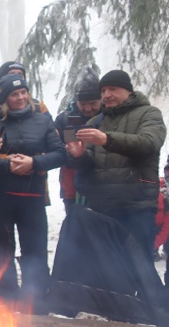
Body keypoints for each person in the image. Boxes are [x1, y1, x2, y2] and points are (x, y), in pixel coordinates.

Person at [0, 73, 66, 306]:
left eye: (23, 92)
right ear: (6, 99)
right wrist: (8, 165)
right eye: (14, 94)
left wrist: (33, 163)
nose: (20, 97)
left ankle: (35, 300)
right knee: (2, 251)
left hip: (32, 197)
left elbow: (60, 154)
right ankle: (8, 298)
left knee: (35, 251)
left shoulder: (43, 122)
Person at [65, 69, 167, 259]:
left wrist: (107, 139)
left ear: (128, 91)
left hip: (136, 206)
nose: (107, 95)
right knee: (108, 267)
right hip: (102, 207)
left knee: (139, 266)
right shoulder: (95, 121)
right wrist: (79, 155)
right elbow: (89, 163)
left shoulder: (149, 113)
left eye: (113, 89)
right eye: (103, 91)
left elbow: (148, 143)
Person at [54, 69, 102, 210]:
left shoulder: (108, 116)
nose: (88, 108)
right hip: (72, 186)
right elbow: (55, 150)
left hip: (103, 185)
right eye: (83, 103)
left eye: (93, 103)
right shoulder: (64, 120)